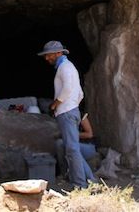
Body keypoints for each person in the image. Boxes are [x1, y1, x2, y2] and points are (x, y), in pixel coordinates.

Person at [37, 40, 97, 189]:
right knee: (72, 148)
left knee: (71, 149)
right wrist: (73, 105)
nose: (47, 58)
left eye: (49, 55)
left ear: (58, 53)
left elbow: (68, 88)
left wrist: (57, 104)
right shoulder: (68, 67)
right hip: (71, 110)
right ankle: (90, 179)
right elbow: (80, 93)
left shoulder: (65, 67)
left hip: (67, 112)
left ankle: (80, 185)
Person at [55, 111, 98, 180]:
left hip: (88, 146)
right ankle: (64, 173)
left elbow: (89, 134)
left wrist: (71, 134)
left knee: (69, 146)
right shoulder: (62, 116)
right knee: (60, 144)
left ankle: (90, 178)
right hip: (74, 144)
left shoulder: (81, 115)